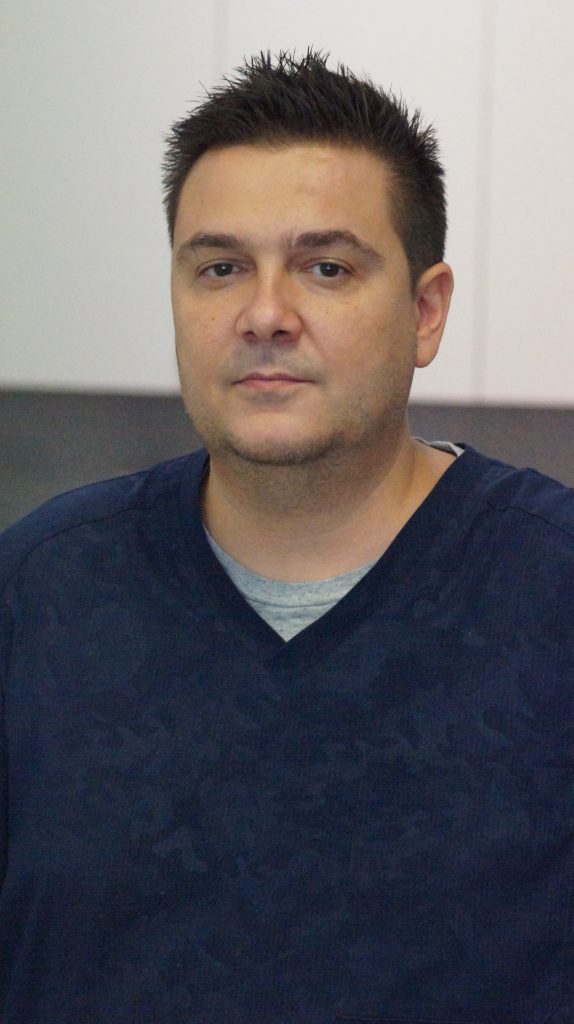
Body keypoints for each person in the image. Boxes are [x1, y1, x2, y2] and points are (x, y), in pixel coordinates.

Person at [0, 49, 572, 1024]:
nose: (264, 315)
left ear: (425, 311)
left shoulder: (551, 593)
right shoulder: (39, 593)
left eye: (325, 267)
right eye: (220, 268)